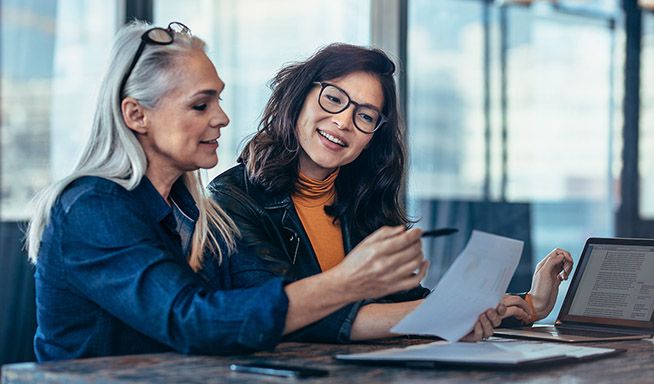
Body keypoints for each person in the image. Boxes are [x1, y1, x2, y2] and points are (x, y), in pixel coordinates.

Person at [26, 22, 427, 362]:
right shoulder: (91, 207)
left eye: (218, 99)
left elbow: (262, 303)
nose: (222, 117)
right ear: (137, 115)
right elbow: (193, 321)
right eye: (201, 105)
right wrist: (347, 282)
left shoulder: (198, 214)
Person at [208, 43, 574, 343]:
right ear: (299, 97)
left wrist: (530, 304)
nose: (343, 122)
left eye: (365, 116)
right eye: (333, 99)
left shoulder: (362, 200)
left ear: (372, 139)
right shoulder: (231, 198)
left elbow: (404, 304)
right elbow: (290, 313)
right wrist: (447, 315)